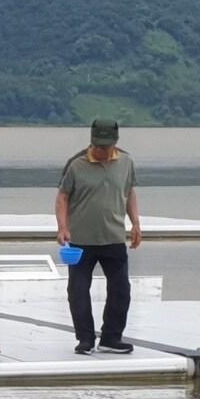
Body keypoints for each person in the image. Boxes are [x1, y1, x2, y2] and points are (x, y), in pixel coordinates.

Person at [56, 119, 141, 354]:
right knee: (78, 290)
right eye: (98, 146)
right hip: (81, 240)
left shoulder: (126, 162)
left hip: (114, 237)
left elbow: (129, 192)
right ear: (92, 141)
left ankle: (111, 338)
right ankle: (85, 338)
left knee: (121, 289)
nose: (102, 151)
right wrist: (62, 227)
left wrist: (136, 223)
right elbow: (62, 196)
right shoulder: (76, 165)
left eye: (106, 146)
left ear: (115, 142)